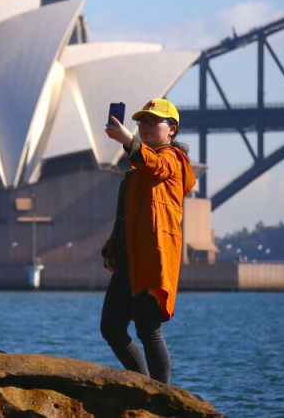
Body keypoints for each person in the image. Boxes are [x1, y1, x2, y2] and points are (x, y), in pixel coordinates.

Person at [100, 98, 195, 384]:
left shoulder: (173, 160)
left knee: (148, 329)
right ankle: (144, 386)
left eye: (154, 121)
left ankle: (162, 394)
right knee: (111, 327)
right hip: (129, 258)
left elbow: (155, 164)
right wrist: (111, 248)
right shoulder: (136, 172)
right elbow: (125, 216)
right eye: (142, 121)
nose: (145, 126)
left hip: (154, 258)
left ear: (172, 130)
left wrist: (128, 142)